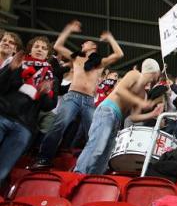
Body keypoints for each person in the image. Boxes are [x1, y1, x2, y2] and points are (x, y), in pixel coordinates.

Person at [32, 21, 124, 169]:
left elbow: (119, 54)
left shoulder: (99, 63)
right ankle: (44, 158)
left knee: (93, 133)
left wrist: (110, 38)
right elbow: (57, 46)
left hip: (89, 101)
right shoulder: (77, 58)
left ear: (93, 46)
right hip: (72, 97)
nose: (82, 45)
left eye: (85, 44)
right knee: (59, 125)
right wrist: (68, 29)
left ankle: (91, 165)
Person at [74, 58, 164, 174]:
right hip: (107, 111)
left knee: (105, 155)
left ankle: (93, 178)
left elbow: (133, 117)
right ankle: (79, 172)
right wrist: (139, 102)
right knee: (97, 146)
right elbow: (119, 90)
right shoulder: (134, 75)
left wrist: (152, 114)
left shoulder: (143, 94)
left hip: (117, 118)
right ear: (155, 72)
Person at [0, 36, 59, 184]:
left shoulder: (51, 78)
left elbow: (49, 106)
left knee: (3, 170)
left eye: (44, 48)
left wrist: (44, 93)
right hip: (2, 116)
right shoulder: (18, 63)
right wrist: (11, 70)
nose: (40, 49)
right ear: (30, 49)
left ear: (48, 54)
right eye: (37, 46)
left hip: (24, 127)